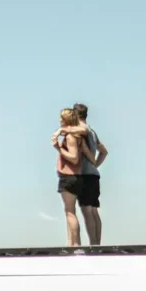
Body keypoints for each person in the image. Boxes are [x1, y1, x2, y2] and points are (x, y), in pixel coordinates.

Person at [59, 103, 108, 245]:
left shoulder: (81, 130)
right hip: (93, 174)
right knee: (93, 210)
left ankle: (93, 244)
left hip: (84, 174)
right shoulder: (92, 132)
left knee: (87, 210)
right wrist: (96, 164)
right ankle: (97, 243)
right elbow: (104, 151)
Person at [52, 108, 94, 246]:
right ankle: (72, 243)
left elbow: (74, 158)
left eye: (61, 118)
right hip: (77, 177)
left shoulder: (70, 138)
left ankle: (75, 244)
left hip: (69, 177)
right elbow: (89, 156)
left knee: (70, 212)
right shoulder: (78, 137)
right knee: (71, 211)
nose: (59, 120)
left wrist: (58, 148)